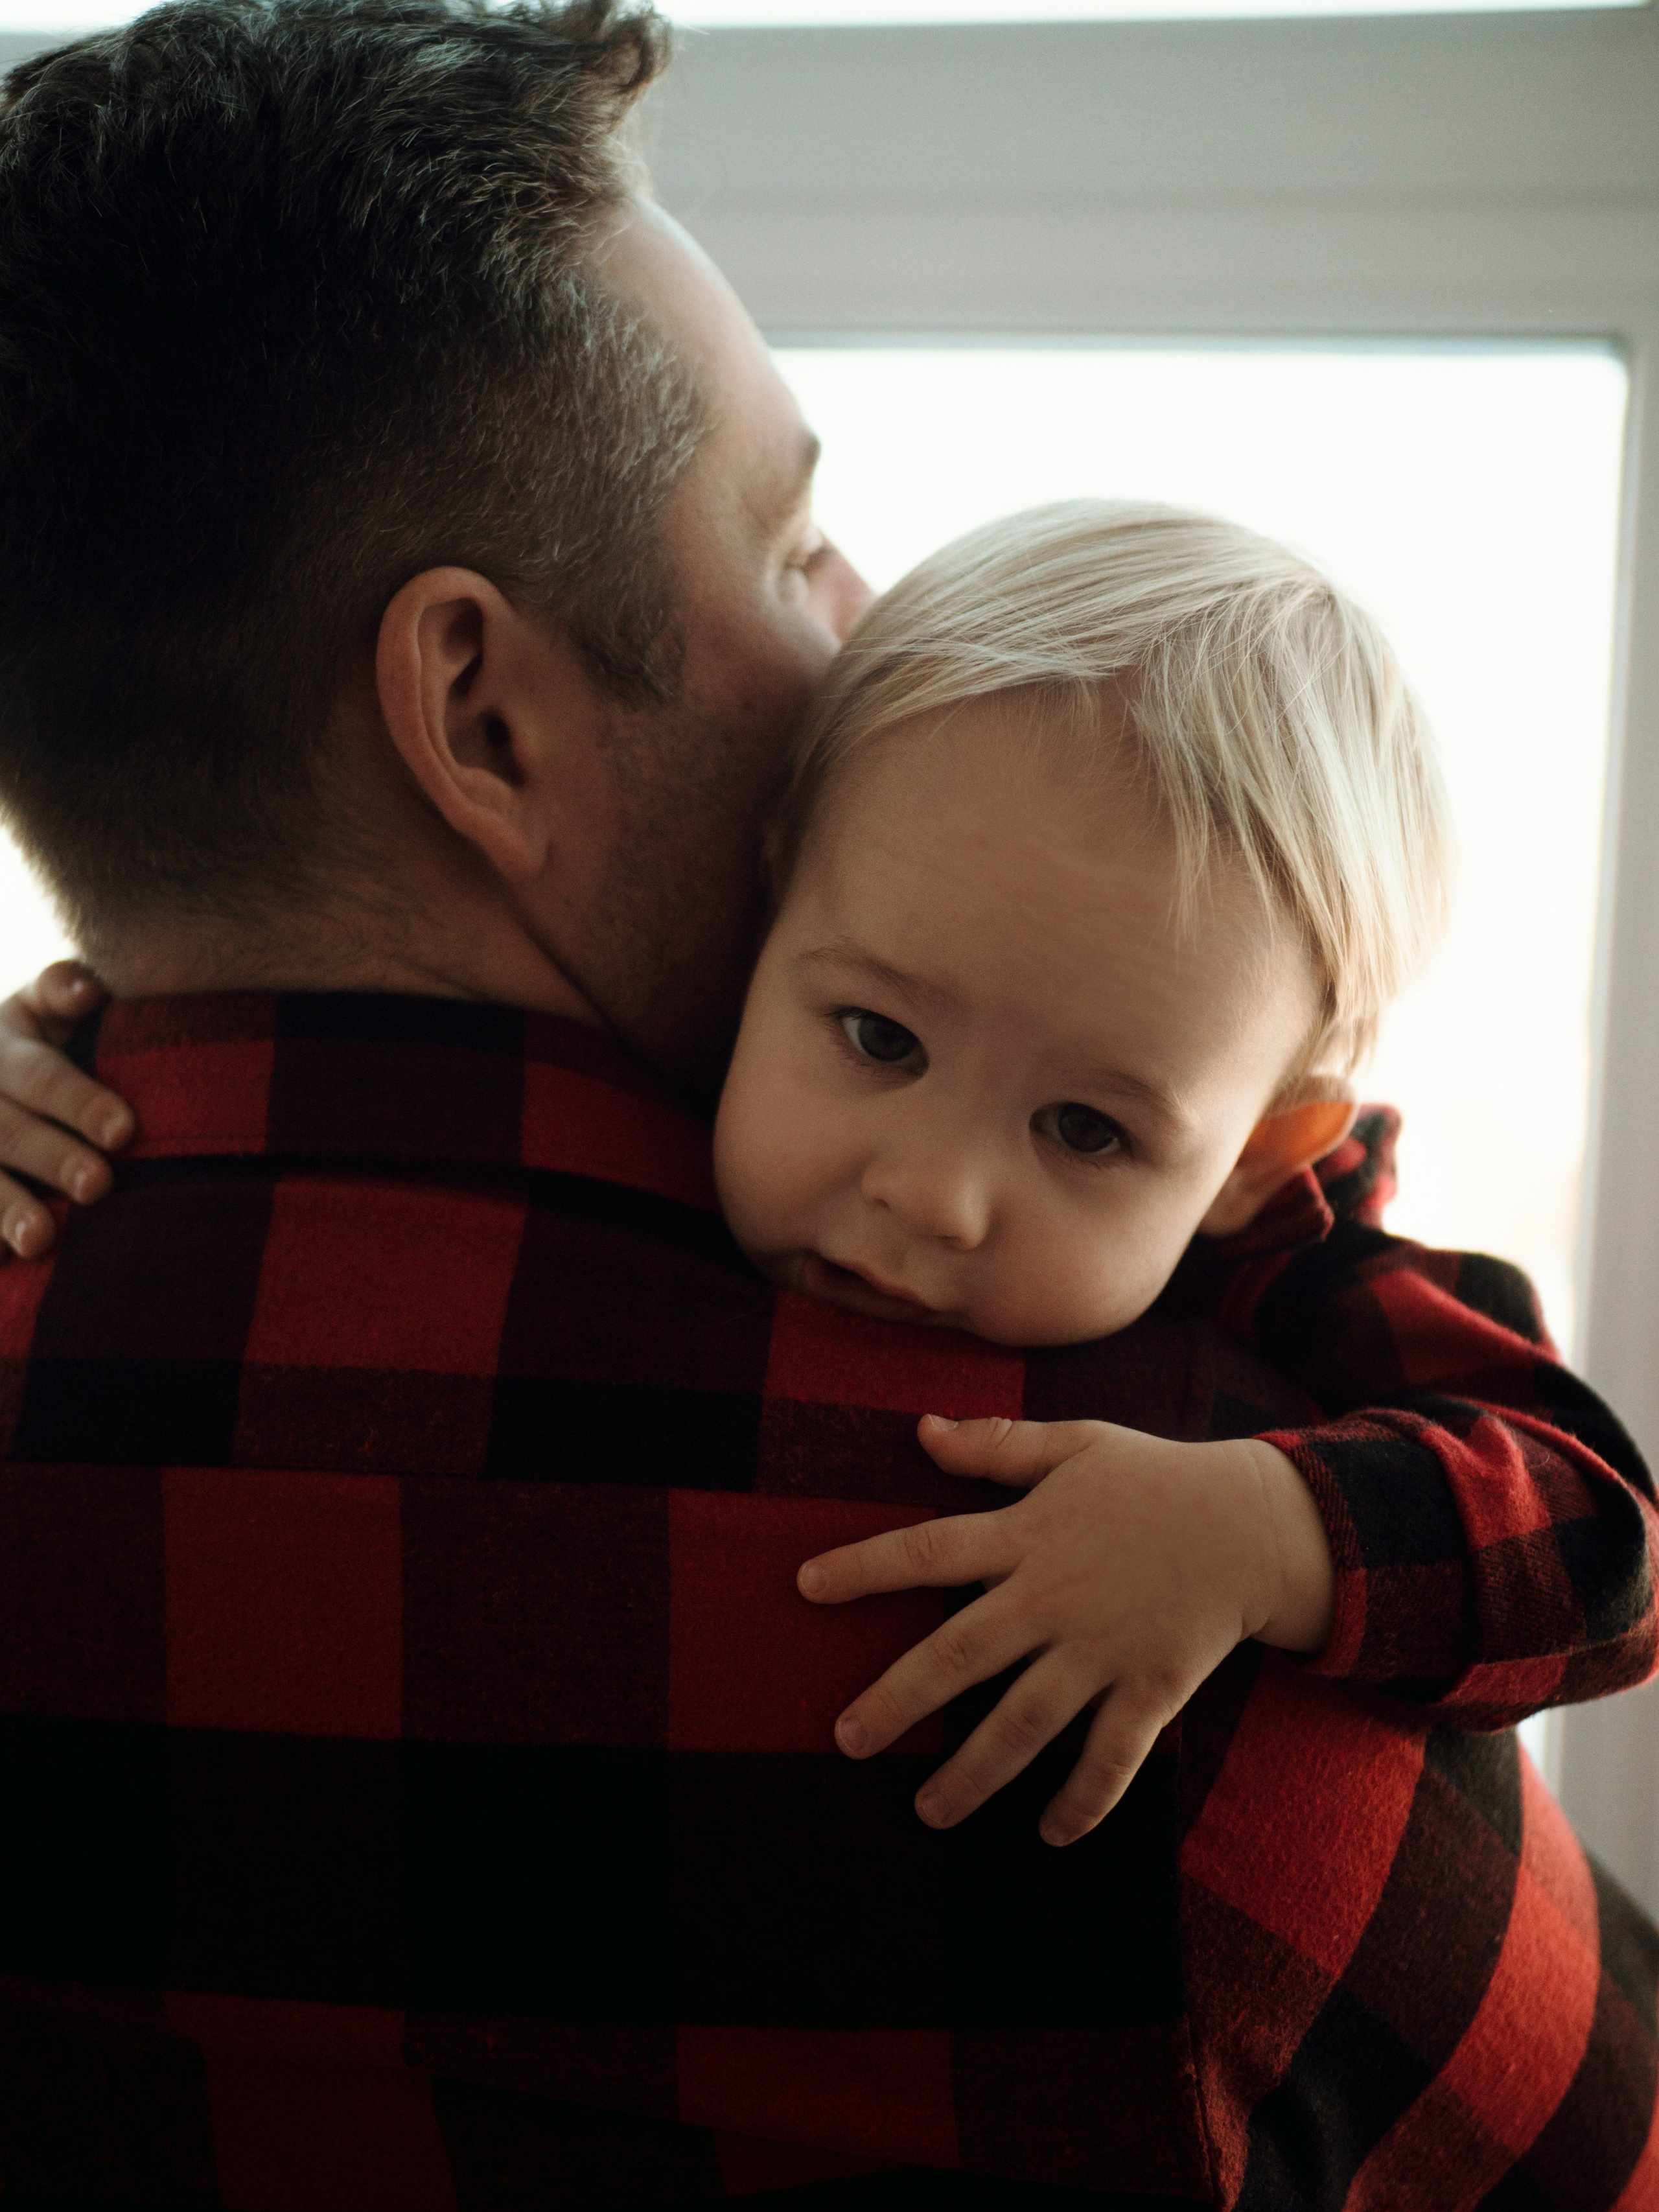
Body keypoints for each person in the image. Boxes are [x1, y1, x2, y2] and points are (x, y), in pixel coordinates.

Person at [0, 3, 1657, 2206]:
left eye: (1094, 1125)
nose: (866, 629)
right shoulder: (1143, 1648)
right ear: (480, 716)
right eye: (793, 547)